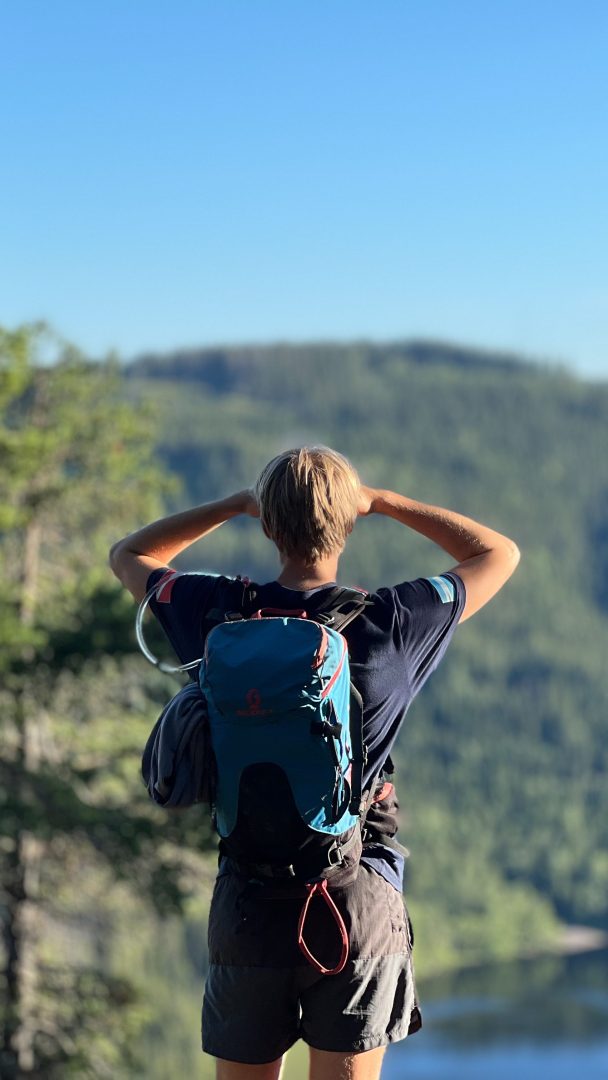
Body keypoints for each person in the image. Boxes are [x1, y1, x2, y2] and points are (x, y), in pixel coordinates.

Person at [110, 446, 520, 1080]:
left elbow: (131, 556)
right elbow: (498, 554)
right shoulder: (393, 620)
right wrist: (382, 500)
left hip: (248, 898)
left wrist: (233, 504)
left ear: (268, 527)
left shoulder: (215, 611)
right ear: (350, 524)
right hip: (354, 898)